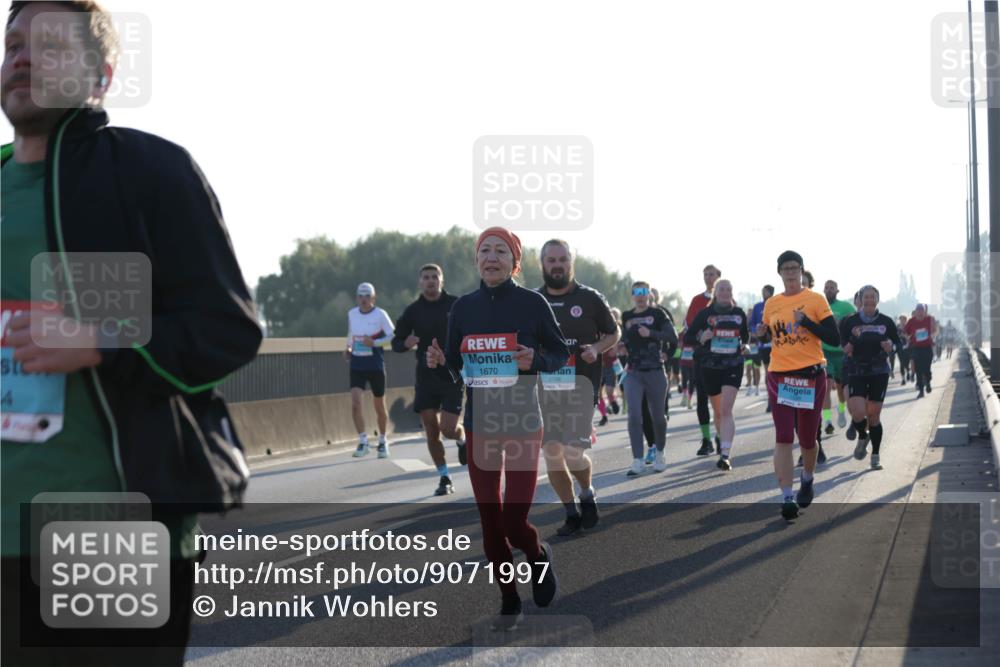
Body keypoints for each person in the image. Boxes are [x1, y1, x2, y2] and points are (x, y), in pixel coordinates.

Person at [1, 3, 262, 665]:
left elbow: (226, 328)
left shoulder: (146, 171)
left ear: (102, 76)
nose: (22, 58)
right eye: (13, 44)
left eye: (50, 47)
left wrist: (100, 342)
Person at [426, 227, 566, 630]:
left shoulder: (533, 303)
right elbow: (457, 368)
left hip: (523, 422)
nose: (491, 257)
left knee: (513, 522)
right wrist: (441, 362)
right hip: (480, 425)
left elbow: (559, 354)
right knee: (490, 524)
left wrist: (535, 359)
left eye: (501, 251)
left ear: (514, 263)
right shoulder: (463, 309)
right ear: (476, 260)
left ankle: (537, 556)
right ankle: (509, 598)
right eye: (484, 250)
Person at [536, 240, 619, 536]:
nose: (557, 265)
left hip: (581, 387)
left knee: (573, 453)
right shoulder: (533, 301)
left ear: (571, 262)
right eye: (551, 260)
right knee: (552, 454)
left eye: (563, 259)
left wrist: (596, 349)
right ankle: (571, 513)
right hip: (545, 391)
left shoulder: (590, 298)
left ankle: (587, 493)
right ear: (542, 264)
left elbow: (613, 332)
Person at [758, 251, 840, 521]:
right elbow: (770, 335)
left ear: (802, 271)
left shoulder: (816, 300)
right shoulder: (772, 304)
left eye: (795, 267)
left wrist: (806, 322)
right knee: (783, 435)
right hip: (780, 376)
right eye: (786, 268)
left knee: (807, 438)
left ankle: (807, 478)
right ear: (779, 273)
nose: (791, 272)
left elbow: (834, 337)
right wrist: (760, 333)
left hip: (810, 376)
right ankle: (786, 496)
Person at [391, 264, 467, 496]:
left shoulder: (456, 305)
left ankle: (461, 438)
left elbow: (470, 332)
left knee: (448, 429)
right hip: (426, 377)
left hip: (452, 374)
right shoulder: (413, 311)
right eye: (426, 277)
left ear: (442, 280)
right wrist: (405, 343)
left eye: (435, 277)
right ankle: (444, 477)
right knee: (431, 429)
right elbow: (396, 342)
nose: (431, 281)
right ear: (420, 282)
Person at [683, 280, 749, 471]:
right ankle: (720, 439)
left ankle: (725, 455)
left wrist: (745, 345)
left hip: (733, 364)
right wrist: (700, 337)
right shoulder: (705, 314)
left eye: (729, 289)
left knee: (726, 410)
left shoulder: (739, 313)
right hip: (710, 366)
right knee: (718, 412)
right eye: (722, 289)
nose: (726, 292)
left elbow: (745, 337)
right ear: (716, 292)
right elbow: (688, 337)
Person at [840, 286, 901, 471]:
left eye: (872, 297)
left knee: (874, 416)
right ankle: (862, 435)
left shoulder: (886, 322)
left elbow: (898, 344)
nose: (868, 300)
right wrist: (847, 346)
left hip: (879, 371)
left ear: (877, 300)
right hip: (856, 370)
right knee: (858, 413)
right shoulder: (850, 321)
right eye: (865, 297)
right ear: (860, 300)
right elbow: (842, 343)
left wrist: (891, 346)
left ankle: (875, 455)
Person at [620, 281, 677, 475]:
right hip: (633, 372)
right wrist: (621, 346)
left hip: (655, 371)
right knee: (634, 415)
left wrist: (651, 333)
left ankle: (660, 452)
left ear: (649, 295)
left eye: (644, 291)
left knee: (658, 417)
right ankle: (637, 460)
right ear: (632, 296)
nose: (640, 295)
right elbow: (624, 339)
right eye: (637, 292)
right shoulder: (627, 316)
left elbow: (672, 337)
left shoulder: (658, 314)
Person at [346, 282, 395, 458]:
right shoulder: (352, 314)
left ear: (373, 297)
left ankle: (382, 440)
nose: (364, 299)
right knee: (355, 403)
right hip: (357, 365)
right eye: (361, 296)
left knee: (379, 405)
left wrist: (374, 343)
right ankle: (363, 441)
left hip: (375, 365)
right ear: (356, 298)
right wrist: (348, 347)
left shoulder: (380, 314)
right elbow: (351, 333)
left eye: (367, 296)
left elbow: (392, 335)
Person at [687, 265, 722, 456]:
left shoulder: (726, 299)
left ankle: (720, 436)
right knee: (702, 399)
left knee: (720, 402)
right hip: (702, 357)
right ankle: (706, 439)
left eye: (712, 274)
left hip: (723, 359)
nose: (708, 278)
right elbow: (689, 328)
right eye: (706, 274)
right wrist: (702, 336)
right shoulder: (697, 301)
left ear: (718, 277)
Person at [820, 280, 856, 435]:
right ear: (823, 290)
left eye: (832, 288)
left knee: (841, 389)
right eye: (827, 288)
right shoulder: (819, 306)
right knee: (826, 387)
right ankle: (827, 421)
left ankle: (841, 410)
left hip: (841, 352)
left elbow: (856, 324)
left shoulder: (846, 307)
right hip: (824, 352)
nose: (829, 290)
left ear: (837, 290)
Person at [903, 304, 938, 398]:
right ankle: (921, 391)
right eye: (918, 311)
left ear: (924, 311)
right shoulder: (911, 321)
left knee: (927, 368)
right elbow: (905, 332)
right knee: (918, 369)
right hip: (916, 348)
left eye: (921, 310)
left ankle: (928, 381)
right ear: (915, 312)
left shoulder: (929, 319)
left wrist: (933, 335)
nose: (920, 313)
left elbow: (935, 330)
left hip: (927, 347)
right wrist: (908, 337)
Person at [748, 285, 774, 410]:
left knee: (777, 373)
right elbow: (752, 324)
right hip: (763, 345)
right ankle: (770, 400)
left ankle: (779, 399)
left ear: (771, 293)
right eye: (763, 292)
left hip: (778, 346)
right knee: (768, 372)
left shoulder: (777, 304)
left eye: (766, 292)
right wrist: (756, 331)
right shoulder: (758, 307)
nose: (764, 294)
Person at [896, 315, 912, 386]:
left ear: (905, 320)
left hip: (907, 347)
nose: (902, 321)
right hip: (899, 347)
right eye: (901, 320)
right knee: (901, 363)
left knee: (906, 362)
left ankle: (908, 372)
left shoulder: (908, 327)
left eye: (903, 320)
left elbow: (910, 336)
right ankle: (903, 379)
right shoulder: (897, 328)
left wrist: (905, 336)